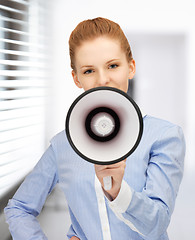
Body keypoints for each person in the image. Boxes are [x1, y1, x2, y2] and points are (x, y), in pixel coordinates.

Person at [4, 17, 185, 240]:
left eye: (113, 65)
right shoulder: (63, 145)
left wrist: (119, 192)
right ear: (77, 78)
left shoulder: (164, 137)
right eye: (89, 71)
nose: (103, 79)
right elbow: (19, 208)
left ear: (131, 67)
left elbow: (157, 224)